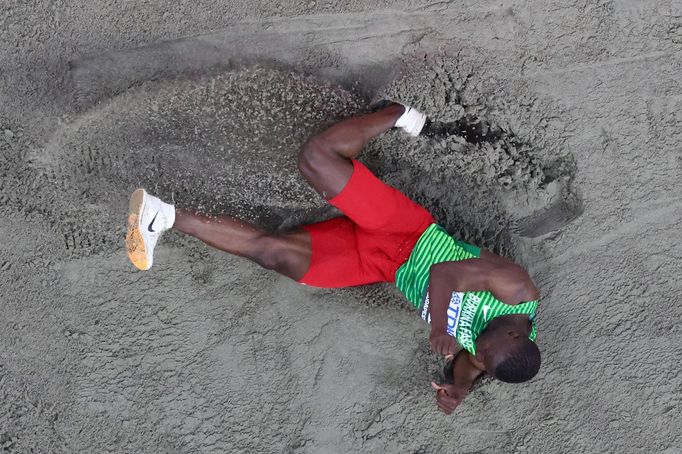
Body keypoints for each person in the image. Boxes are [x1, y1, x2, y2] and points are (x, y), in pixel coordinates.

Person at [125, 103, 541, 414]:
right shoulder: (515, 290)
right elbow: (444, 273)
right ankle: (397, 113)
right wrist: (437, 327)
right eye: (485, 351)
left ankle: (163, 216)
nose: (476, 353)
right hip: (407, 232)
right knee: (316, 157)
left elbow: (471, 362)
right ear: (513, 335)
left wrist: (461, 387)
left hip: (382, 266)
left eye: (482, 358)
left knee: (275, 255)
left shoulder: (494, 353)